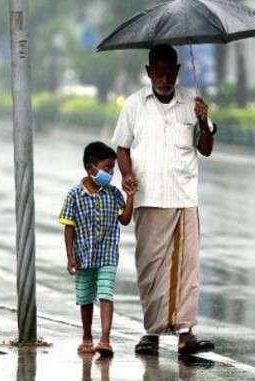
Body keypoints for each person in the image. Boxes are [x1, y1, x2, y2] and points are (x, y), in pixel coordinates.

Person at [112, 44, 216, 356]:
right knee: (150, 266)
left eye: (170, 73)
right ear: (148, 73)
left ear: (179, 71)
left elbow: (207, 148)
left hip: (183, 195)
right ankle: (151, 334)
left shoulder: (191, 103)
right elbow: (121, 147)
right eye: (158, 73)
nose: (164, 78)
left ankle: (186, 335)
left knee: (186, 268)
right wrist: (127, 175)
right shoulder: (134, 104)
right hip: (148, 197)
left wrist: (204, 121)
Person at [59, 142, 135, 357]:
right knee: (85, 297)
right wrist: (70, 256)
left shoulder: (113, 193)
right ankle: (86, 336)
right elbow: (69, 228)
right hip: (84, 256)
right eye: (107, 168)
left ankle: (105, 339)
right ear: (91, 169)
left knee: (105, 292)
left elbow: (125, 219)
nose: (111, 173)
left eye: (113, 169)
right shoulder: (74, 195)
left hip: (108, 255)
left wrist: (130, 196)